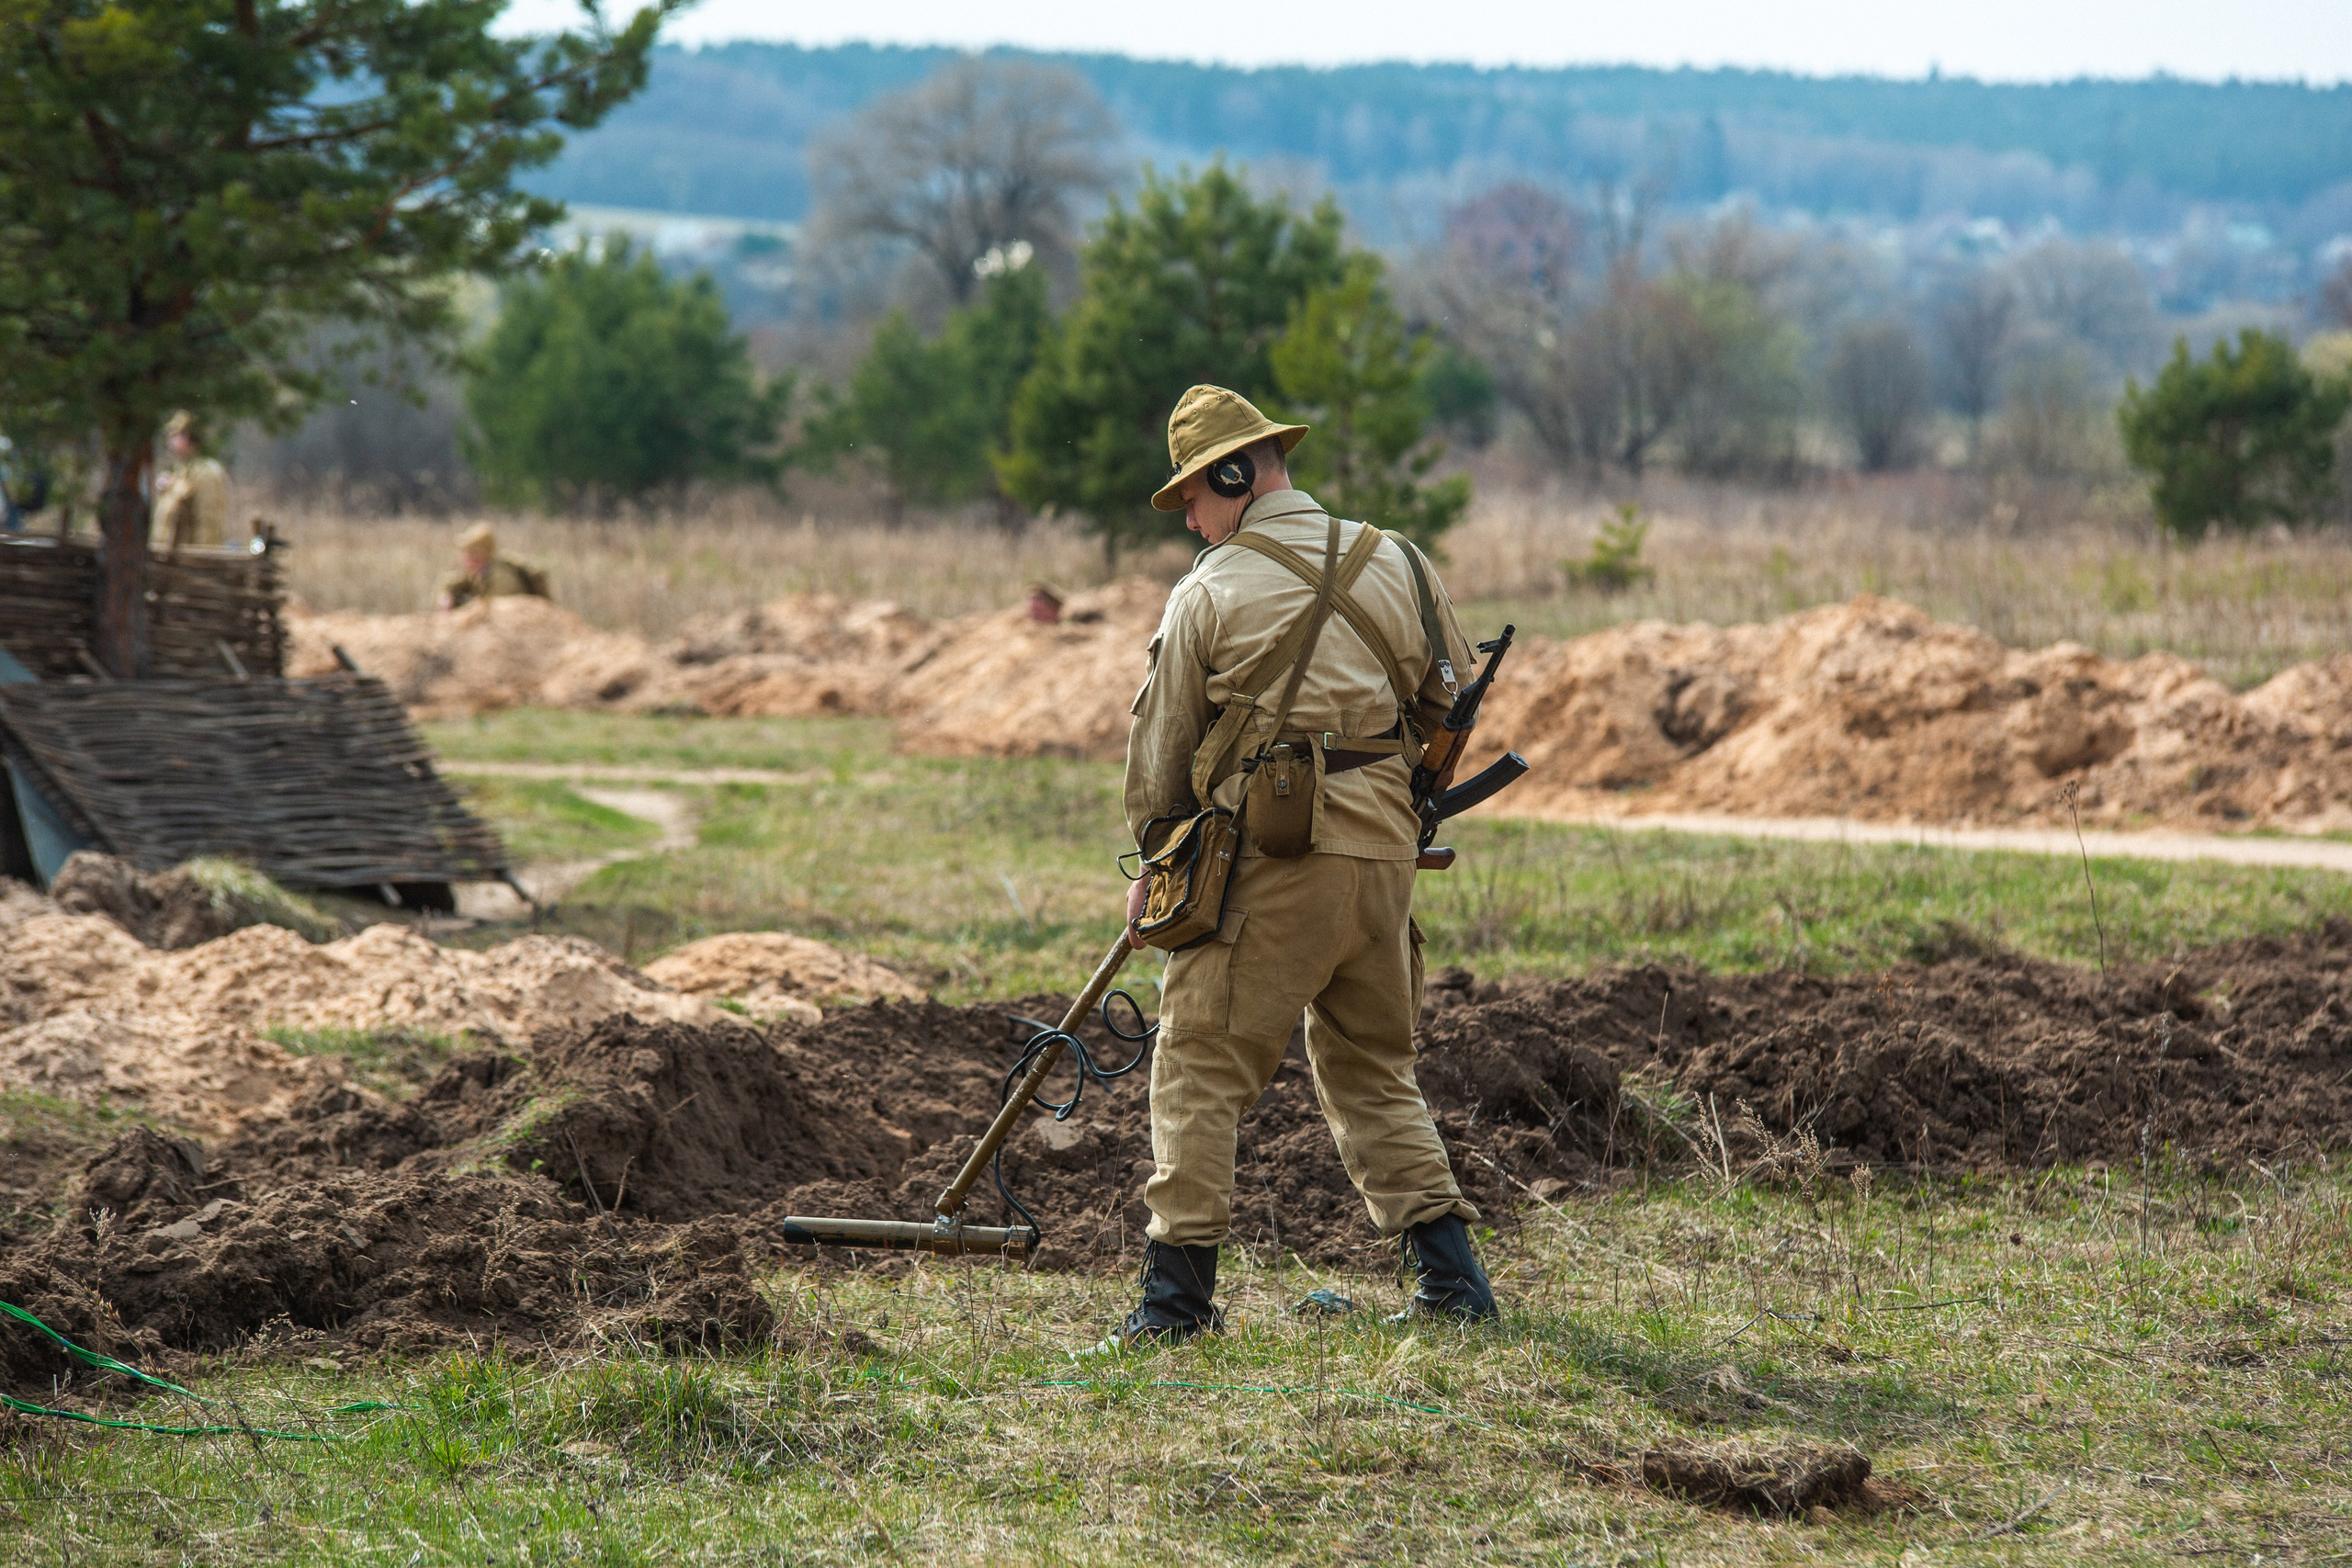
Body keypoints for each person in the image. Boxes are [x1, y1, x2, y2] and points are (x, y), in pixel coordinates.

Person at [1108, 383, 1498, 1348]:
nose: (1190, 520)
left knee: (1200, 1063)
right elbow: (1449, 703)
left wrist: (1158, 860)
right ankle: (1453, 1285)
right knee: (1373, 1067)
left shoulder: (1209, 589)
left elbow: (1160, 757)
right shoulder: (1399, 561)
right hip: (1383, 861)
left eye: (1193, 497)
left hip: (1270, 868)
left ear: (1234, 473)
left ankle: (1173, 1308)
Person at [151, 411, 231, 551]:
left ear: (187, 436)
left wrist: (202, 561)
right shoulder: (178, 474)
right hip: (169, 562)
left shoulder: (204, 474)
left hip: (188, 564)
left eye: (174, 434)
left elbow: (207, 526)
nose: (169, 440)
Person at [436, 523, 549, 610]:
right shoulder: (481, 571)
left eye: (466, 553)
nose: (462, 557)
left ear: (476, 556)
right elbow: (453, 582)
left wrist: (463, 606)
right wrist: (446, 596)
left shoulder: (500, 578)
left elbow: (497, 612)